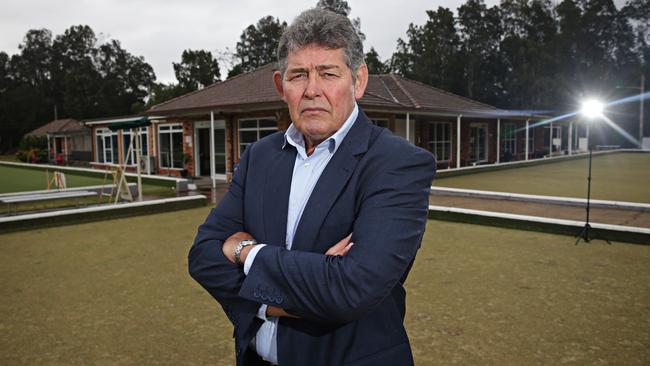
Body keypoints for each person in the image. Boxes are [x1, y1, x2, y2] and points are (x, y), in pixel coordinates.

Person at [188, 8, 436, 366]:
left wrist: (246, 253)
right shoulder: (260, 156)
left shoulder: (396, 163)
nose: (312, 90)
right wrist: (303, 289)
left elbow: (351, 289)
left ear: (359, 81)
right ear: (280, 85)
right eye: (298, 75)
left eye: (329, 73)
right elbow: (202, 257)